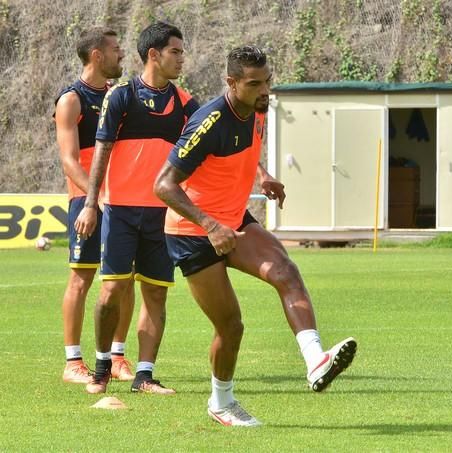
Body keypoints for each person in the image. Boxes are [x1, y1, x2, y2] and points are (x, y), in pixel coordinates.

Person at [154, 45, 356, 427]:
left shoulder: (257, 108)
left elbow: (244, 145)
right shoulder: (208, 121)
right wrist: (210, 225)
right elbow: (163, 185)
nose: (265, 90)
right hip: (193, 232)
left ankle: (315, 362)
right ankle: (221, 403)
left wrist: (262, 175)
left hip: (234, 218)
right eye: (255, 84)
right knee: (231, 325)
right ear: (231, 83)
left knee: (286, 271)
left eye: (268, 81)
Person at [75, 21, 199, 395]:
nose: (181, 58)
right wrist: (91, 204)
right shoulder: (122, 96)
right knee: (111, 291)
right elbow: (102, 151)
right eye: (175, 51)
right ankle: (101, 369)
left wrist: (261, 170)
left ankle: (144, 376)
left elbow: (213, 129)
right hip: (120, 211)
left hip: (163, 215)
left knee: (156, 293)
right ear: (153, 54)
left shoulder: (183, 101)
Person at [54, 27, 136, 385]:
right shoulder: (71, 99)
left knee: (125, 279)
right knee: (82, 277)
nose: (122, 55)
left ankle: (117, 356)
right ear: (97, 56)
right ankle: (73, 362)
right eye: (116, 49)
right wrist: (95, 197)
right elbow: (69, 160)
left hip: (121, 200)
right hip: (86, 200)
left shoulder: (120, 97)